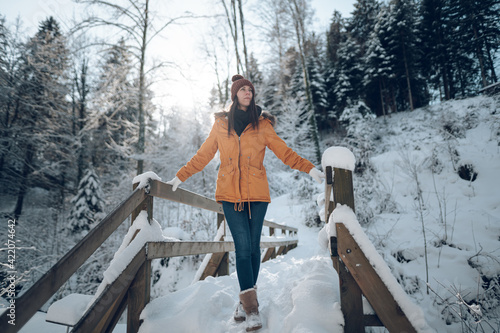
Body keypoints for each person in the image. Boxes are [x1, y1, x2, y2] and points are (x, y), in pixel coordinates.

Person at [167, 74, 324, 332]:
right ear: (234, 94)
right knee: (242, 248)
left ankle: (244, 300)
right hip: (230, 196)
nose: (248, 92)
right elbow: (204, 154)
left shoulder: (262, 124)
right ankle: (252, 309)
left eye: (251, 89)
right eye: (243, 89)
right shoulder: (221, 124)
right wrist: (181, 175)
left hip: (258, 196)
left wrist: (309, 169)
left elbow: (284, 152)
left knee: (252, 249)